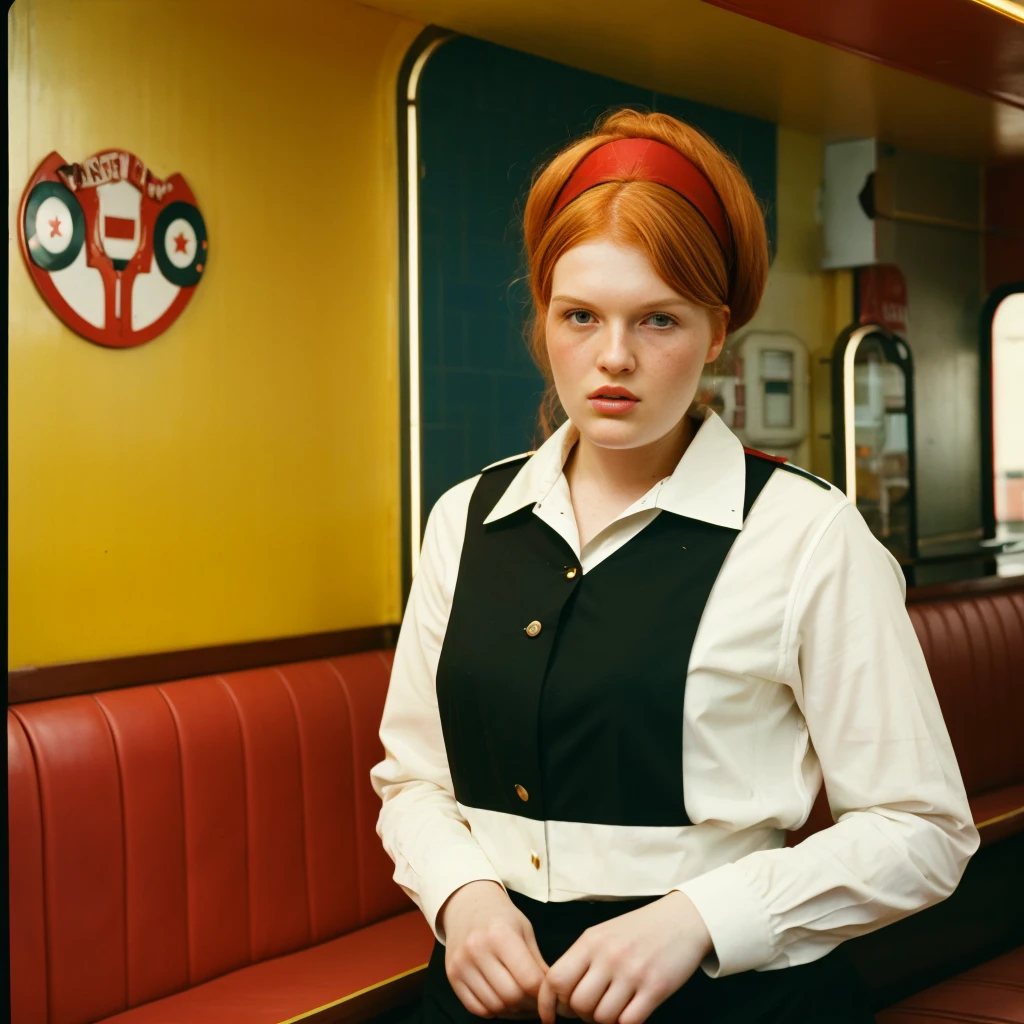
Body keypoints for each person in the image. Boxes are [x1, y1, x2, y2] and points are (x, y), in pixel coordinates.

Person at [371, 109, 978, 1024]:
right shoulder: (467, 518)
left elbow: (923, 833)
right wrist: (462, 894)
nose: (614, 358)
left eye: (658, 318)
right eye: (580, 316)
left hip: (730, 999)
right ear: (543, 318)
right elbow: (413, 778)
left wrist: (701, 917)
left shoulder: (810, 534)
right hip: (483, 992)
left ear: (716, 331)